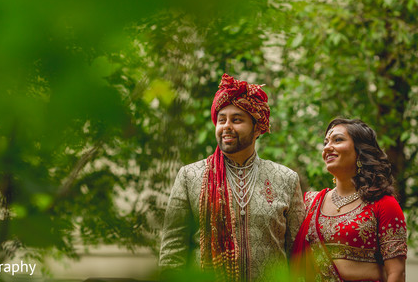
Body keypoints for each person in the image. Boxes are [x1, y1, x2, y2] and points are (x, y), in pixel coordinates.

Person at [159, 73, 305, 281]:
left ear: (257, 128)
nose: (226, 126)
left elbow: (298, 255)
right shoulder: (190, 176)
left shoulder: (285, 178)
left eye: (236, 120)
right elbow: (172, 251)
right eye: (221, 120)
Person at [292, 118, 407, 282]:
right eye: (326, 142)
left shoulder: (383, 203)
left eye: (338, 140)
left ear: (360, 151)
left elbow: (396, 273)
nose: (327, 147)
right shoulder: (310, 202)